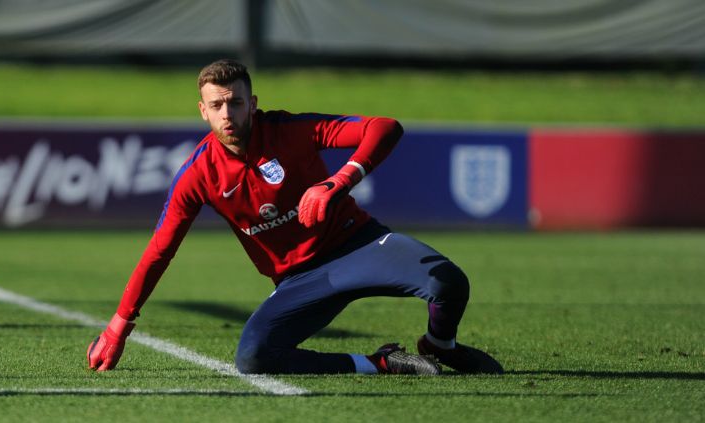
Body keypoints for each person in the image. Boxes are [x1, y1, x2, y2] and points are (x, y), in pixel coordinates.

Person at [87, 59, 503, 375]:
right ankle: (379, 364)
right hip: (303, 280)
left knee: (448, 282)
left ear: (252, 103)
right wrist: (118, 326)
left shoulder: (289, 130)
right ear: (203, 111)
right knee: (253, 357)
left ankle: (439, 346)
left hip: (358, 245)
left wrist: (337, 182)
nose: (228, 114)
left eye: (235, 102)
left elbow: (384, 127)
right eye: (217, 106)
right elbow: (160, 251)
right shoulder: (197, 175)